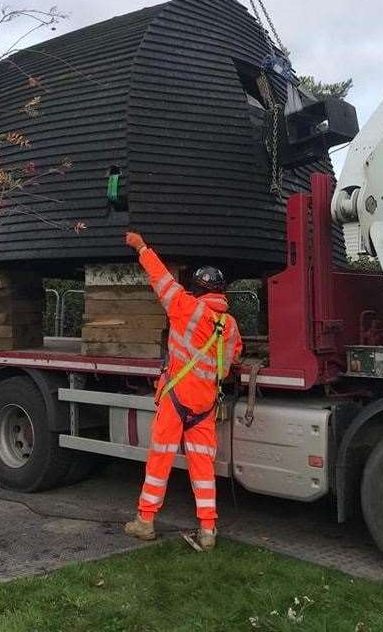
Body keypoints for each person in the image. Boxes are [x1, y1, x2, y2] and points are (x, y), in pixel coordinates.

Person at [122, 231, 242, 551]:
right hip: (205, 402)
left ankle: (145, 521)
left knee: (160, 458)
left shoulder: (185, 306)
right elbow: (228, 365)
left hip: (176, 397)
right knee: (203, 466)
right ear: (221, 292)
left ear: (198, 289)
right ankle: (208, 530)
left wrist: (142, 247)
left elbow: (160, 277)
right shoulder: (229, 326)